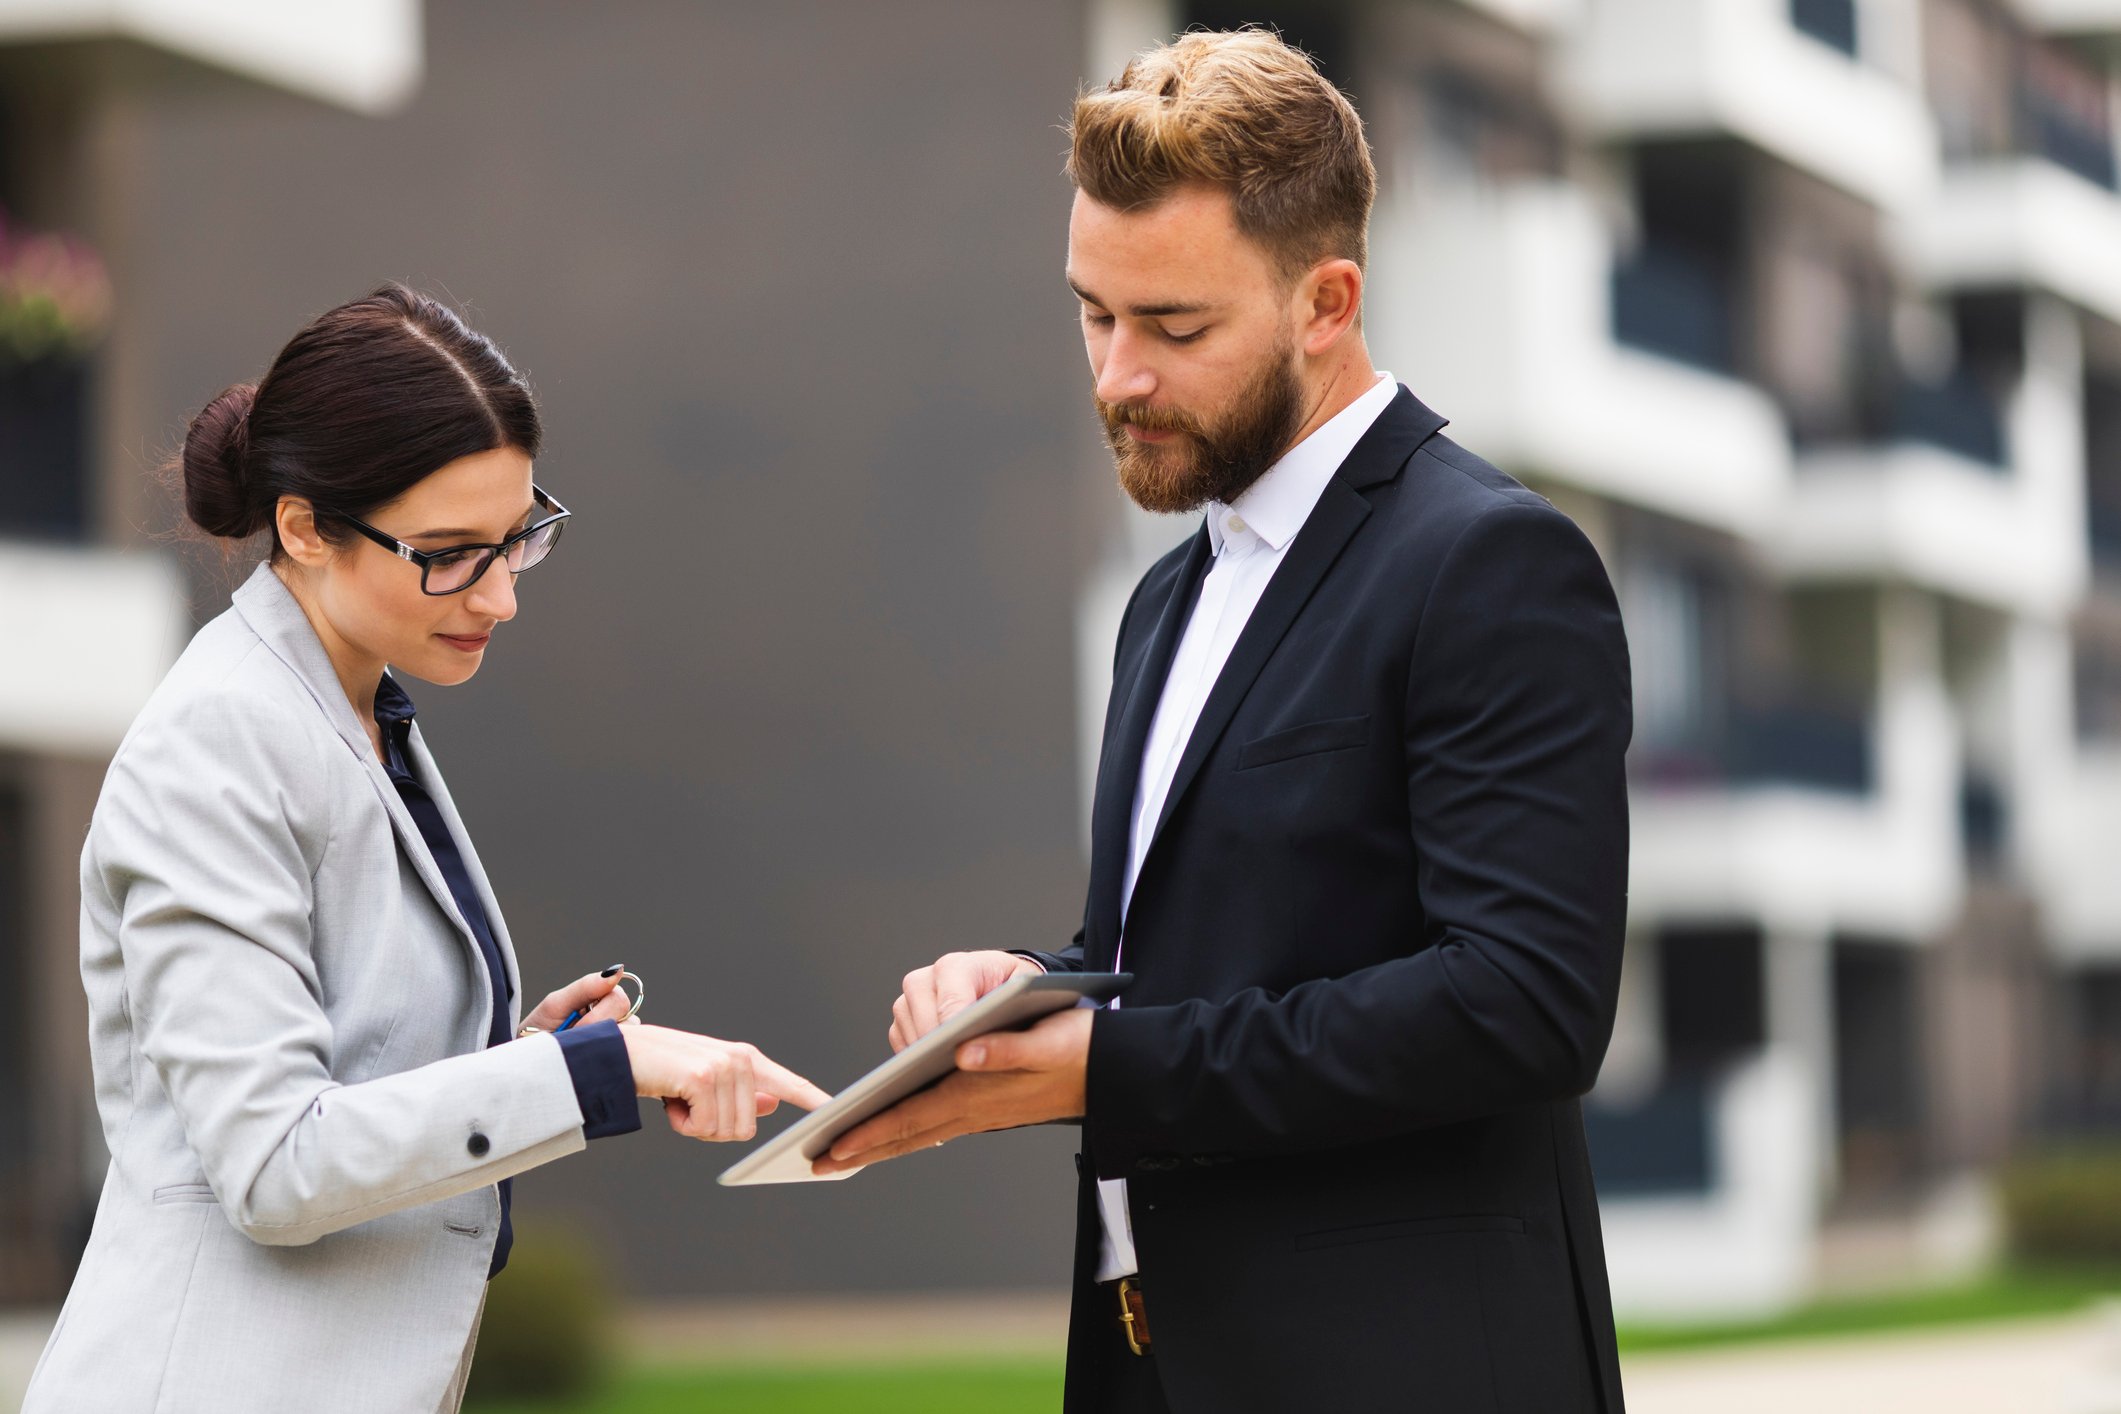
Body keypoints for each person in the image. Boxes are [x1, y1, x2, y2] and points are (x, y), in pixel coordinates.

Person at [820, 31, 1633, 1414]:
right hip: (1155, 1363)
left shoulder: (1490, 565)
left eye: (1174, 328)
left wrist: (1110, 1069)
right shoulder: (1169, 597)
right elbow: (1217, 944)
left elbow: (1524, 1004)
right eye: (1093, 314)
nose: (1117, 376)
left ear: (1327, 300)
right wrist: (1028, 987)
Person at [23, 285, 828, 1414]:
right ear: (303, 527)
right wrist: (592, 1073)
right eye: (450, 554)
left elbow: (351, 1062)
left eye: (516, 540)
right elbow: (274, 1164)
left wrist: (524, 1047)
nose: (498, 596)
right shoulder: (221, 736)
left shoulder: (354, 708)